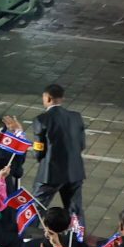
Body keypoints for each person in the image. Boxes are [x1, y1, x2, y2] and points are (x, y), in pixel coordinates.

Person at [35, 82, 86, 218]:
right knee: (75, 210)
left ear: (48, 98)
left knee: (37, 207)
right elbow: (81, 145)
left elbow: (39, 149)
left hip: (50, 173)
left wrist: (40, 159)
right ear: (62, 98)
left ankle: (28, 234)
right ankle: (77, 237)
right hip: (75, 171)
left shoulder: (42, 119)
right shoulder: (76, 117)